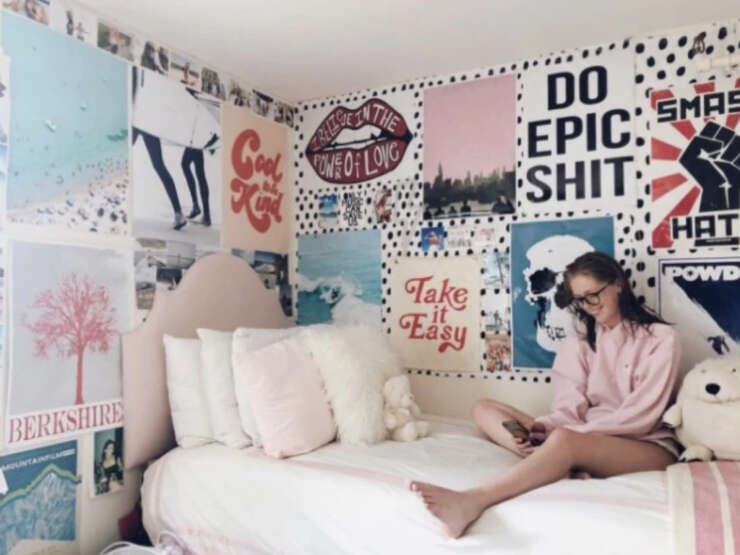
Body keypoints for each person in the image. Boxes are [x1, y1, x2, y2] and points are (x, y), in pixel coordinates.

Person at [409, 251, 681, 538]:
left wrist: (569, 435)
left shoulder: (662, 339)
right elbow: (569, 403)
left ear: (617, 284)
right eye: (579, 299)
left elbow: (640, 417)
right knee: (483, 409)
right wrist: (546, 426)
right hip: (582, 436)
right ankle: (553, 460)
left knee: (564, 440)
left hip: (644, 445)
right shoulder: (582, 338)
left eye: (593, 295)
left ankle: (473, 500)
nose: (588, 306)